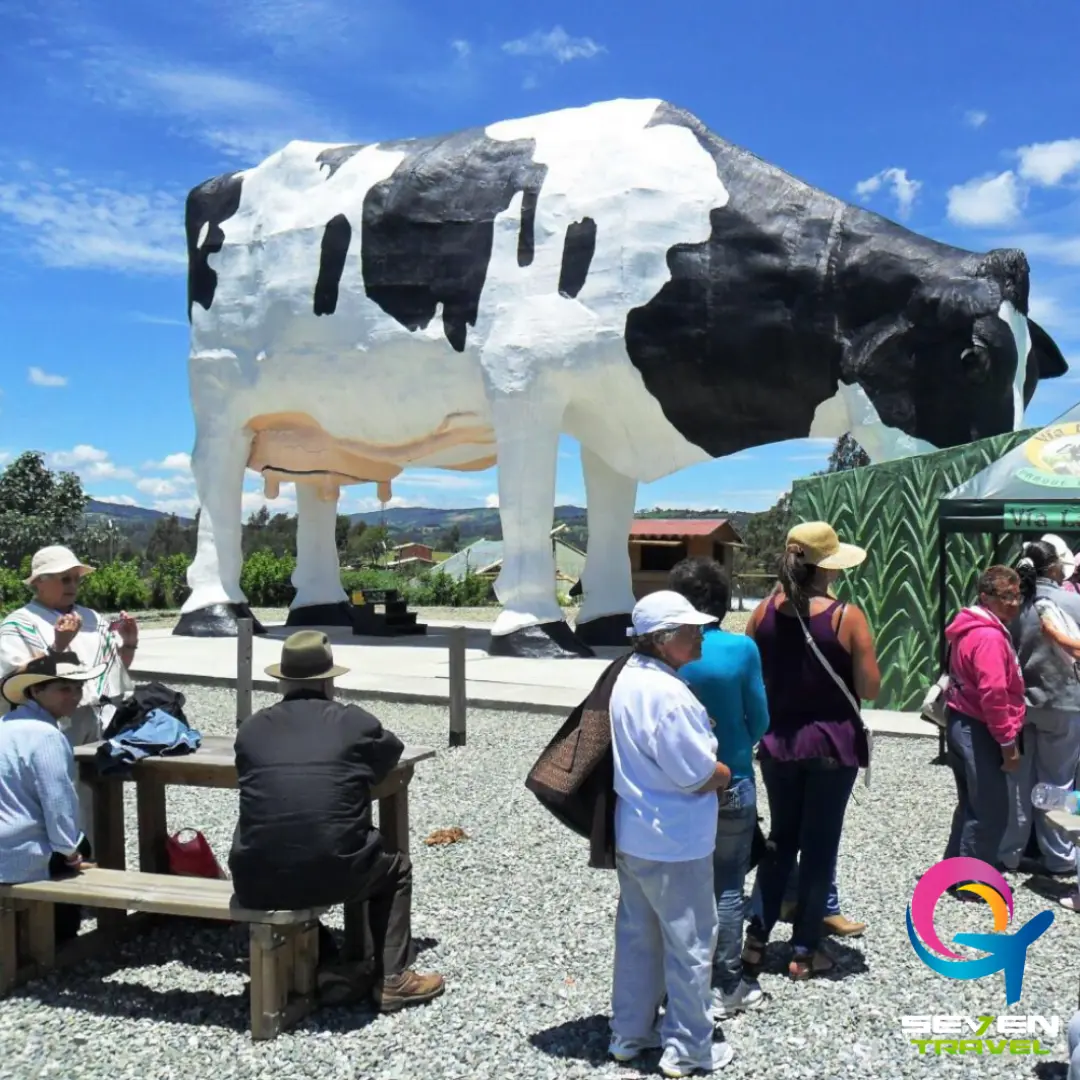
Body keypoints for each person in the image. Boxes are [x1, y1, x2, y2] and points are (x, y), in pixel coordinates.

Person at [228, 630, 444, 1012]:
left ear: (282, 680)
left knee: (282, 844)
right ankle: (393, 977)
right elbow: (390, 754)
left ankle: (328, 961)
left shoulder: (251, 729)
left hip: (253, 880)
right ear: (329, 680)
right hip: (336, 871)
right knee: (394, 869)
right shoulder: (353, 723)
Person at [743, 522, 879, 980]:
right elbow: (870, 687)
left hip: (778, 743)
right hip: (831, 745)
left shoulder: (761, 614)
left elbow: (752, 676)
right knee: (820, 847)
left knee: (781, 840)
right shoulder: (847, 617)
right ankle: (804, 950)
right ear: (828, 568)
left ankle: (756, 941)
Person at [607, 591, 734, 1077]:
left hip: (636, 832)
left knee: (639, 937)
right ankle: (687, 1048)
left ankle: (629, 1033)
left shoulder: (628, 678)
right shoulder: (669, 693)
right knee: (691, 944)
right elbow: (695, 774)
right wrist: (726, 772)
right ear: (662, 640)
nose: (699, 635)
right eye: (690, 630)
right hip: (676, 840)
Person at [667, 558, 769, 1019]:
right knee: (729, 882)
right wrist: (737, 749)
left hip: (674, 784)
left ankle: (678, 979)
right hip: (733, 779)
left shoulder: (664, 654)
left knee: (681, 883)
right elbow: (761, 718)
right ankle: (726, 984)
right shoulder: (741, 650)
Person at [0, 546, 139, 838]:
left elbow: (112, 673)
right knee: (57, 793)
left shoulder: (92, 618)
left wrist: (128, 644)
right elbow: (14, 682)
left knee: (98, 795)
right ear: (39, 581)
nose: (73, 586)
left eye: (76, 579)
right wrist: (58, 645)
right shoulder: (18, 623)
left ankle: (99, 856)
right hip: (50, 725)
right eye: (65, 579)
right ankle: (64, 856)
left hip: (98, 717)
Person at [0, 653, 103, 941]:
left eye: (78, 688)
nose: (74, 696)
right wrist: (71, 853)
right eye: (64, 688)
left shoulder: (5, 724)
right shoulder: (46, 736)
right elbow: (58, 806)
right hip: (18, 854)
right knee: (81, 844)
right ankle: (54, 941)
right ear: (35, 690)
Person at [999, 540, 1080, 877]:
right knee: (1058, 783)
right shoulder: (1073, 602)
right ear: (1053, 567)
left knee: (1019, 779)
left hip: (1021, 703)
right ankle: (1059, 857)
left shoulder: (1014, 604)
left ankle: (1011, 853)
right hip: (1065, 703)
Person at [941, 566, 1025, 876]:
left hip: (964, 721)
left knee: (972, 805)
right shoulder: (988, 635)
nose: (1014, 603)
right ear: (985, 598)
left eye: (1017, 596)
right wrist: (1007, 743)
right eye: (1006, 597)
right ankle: (971, 880)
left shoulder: (974, 628)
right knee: (989, 809)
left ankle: (952, 873)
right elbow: (993, 693)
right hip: (978, 728)